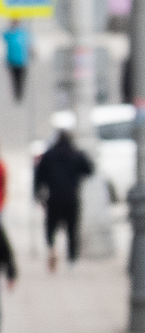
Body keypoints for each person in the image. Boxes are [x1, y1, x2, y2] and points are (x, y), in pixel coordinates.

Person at [33, 130, 93, 270]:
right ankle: (71, 260)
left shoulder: (48, 155)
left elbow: (39, 176)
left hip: (53, 197)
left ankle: (52, 248)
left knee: (50, 227)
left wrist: (38, 195)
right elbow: (89, 170)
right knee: (72, 230)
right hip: (71, 197)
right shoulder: (75, 154)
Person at [5, 20, 29, 102]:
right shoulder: (9, 33)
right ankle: (16, 94)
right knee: (14, 79)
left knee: (21, 79)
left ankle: (20, 94)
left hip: (22, 60)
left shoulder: (22, 33)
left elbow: (28, 42)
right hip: (12, 60)